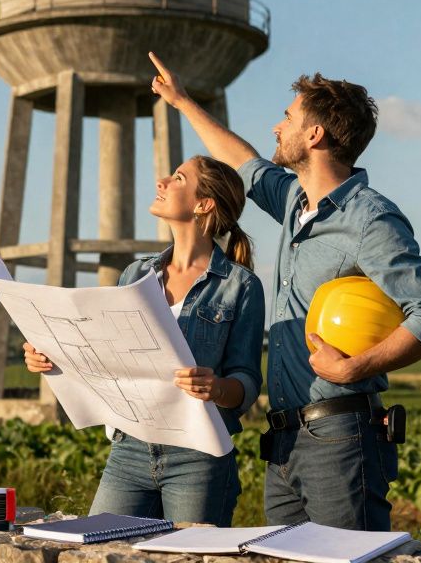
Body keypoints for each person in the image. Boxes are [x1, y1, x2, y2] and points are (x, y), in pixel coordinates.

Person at [147, 52, 421, 532]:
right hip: (285, 439)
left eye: (288, 117)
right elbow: (241, 161)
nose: (277, 126)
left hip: (342, 436)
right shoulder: (294, 201)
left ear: (315, 135)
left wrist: (355, 366)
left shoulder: (370, 218)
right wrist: (182, 101)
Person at [22, 155, 265, 527]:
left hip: (198, 457)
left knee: (189, 559)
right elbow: (106, 359)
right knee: (101, 549)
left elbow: (246, 383)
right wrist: (52, 356)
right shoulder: (136, 273)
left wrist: (215, 388)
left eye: (179, 178)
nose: (162, 181)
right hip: (129, 449)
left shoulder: (241, 286)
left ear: (204, 204)